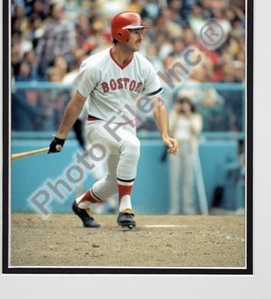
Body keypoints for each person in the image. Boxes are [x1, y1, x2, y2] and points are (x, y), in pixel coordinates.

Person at [48, 11, 178, 228]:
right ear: (119, 33)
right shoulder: (95, 65)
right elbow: (77, 103)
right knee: (133, 145)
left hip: (126, 128)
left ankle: (81, 204)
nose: (140, 36)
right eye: (134, 31)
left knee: (111, 182)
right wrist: (60, 136)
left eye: (140, 31)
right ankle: (126, 208)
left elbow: (158, 102)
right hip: (98, 125)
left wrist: (165, 134)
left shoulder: (143, 65)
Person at [168, 95, 203, 215]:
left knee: (189, 179)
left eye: (186, 104)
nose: (184, 106)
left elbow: (196, 130)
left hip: (188, 146)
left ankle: (189, 208)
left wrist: (188, 115)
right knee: (175, 178)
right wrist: (176, 113)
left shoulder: (195, 116)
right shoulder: (174, 114)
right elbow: (169, 130)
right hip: (176, 147)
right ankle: (174, 209)